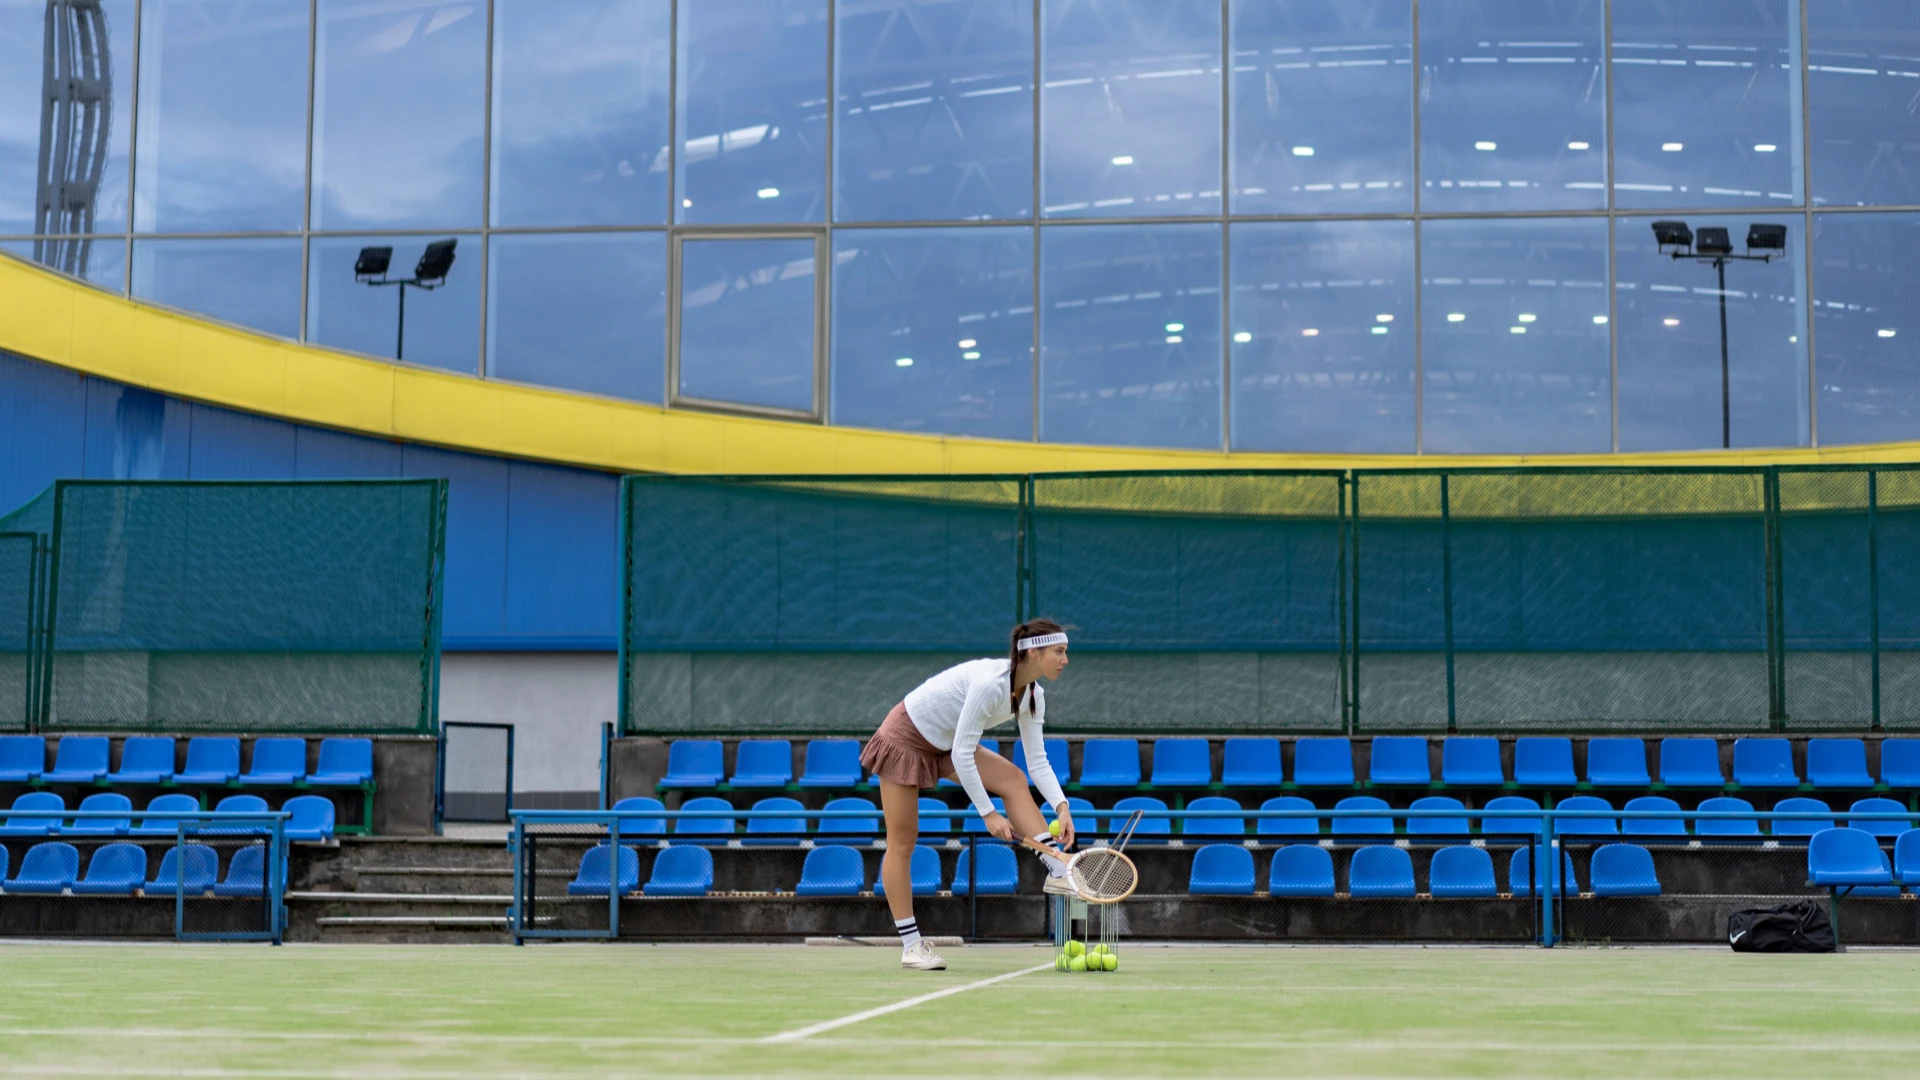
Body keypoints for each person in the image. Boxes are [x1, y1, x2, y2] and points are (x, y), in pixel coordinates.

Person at [859, 618, 1076, 971]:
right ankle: (912, 945)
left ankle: (1055, 867)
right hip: (906, 736)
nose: (1065, 660)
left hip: (946, 741)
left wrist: (1062, 807)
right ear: (1033, 652)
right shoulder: (991, 685)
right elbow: (962, 754)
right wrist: (989, 813)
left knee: (1014, 779)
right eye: (1059, 652)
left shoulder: (1033, 696)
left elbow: (1037, 760)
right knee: (903, 841)